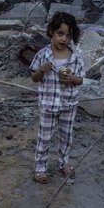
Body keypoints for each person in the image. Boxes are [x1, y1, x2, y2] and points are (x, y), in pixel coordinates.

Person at [30, 12, 84, 184]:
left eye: (68, 35)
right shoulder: (43, 55)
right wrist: (41, 70)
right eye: (60, 34)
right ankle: (40, 169)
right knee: (44, 138)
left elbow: (81, 79)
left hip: (68, 104)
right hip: (48, 104)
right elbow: (34, 77)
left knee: (66, 137)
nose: (64, 39)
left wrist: (72, 79)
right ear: (52, 32)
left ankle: (63, 164)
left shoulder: (75, 58)